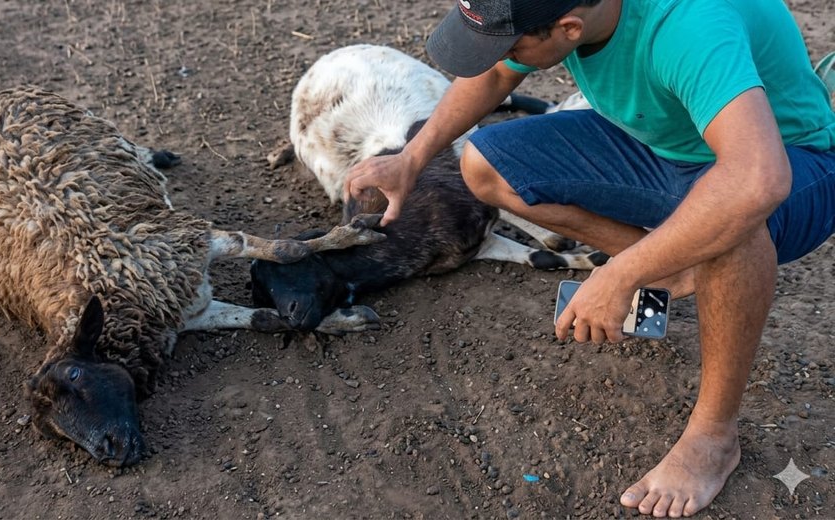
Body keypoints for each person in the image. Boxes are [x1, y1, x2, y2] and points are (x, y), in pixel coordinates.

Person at [344, 0, 835, 517]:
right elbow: (493, 77)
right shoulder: (560, 11)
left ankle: (714, 436)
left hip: (793, 159)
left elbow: (759, 178)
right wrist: (410, 158)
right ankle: (676, 263)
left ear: (569, 28)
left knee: (735, 223)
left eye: (512, 46)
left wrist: (621, 274)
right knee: (483, 164)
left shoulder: (687, 25)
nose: (503, 58)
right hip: (665, 144)